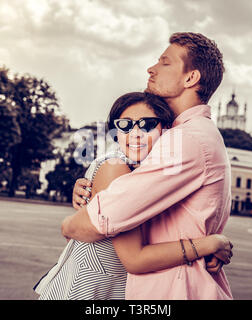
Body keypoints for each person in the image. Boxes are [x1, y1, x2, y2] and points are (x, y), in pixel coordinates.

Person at [62, 32, 233, 300]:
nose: (151, 69)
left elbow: (84, 226)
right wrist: (94, 186)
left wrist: (86, 211)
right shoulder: (190, 136)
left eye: (165, 62)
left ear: (191, 78)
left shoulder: (186, 140)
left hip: (175, 290)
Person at [34, 92, 233, 300]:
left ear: (166, 129)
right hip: (87, 289)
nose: (135, 133)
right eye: (125, 125)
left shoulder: (155, 176)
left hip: (120, 288)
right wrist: (210, 244)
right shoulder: (115, 167)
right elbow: (134, 259)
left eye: (146, 124)